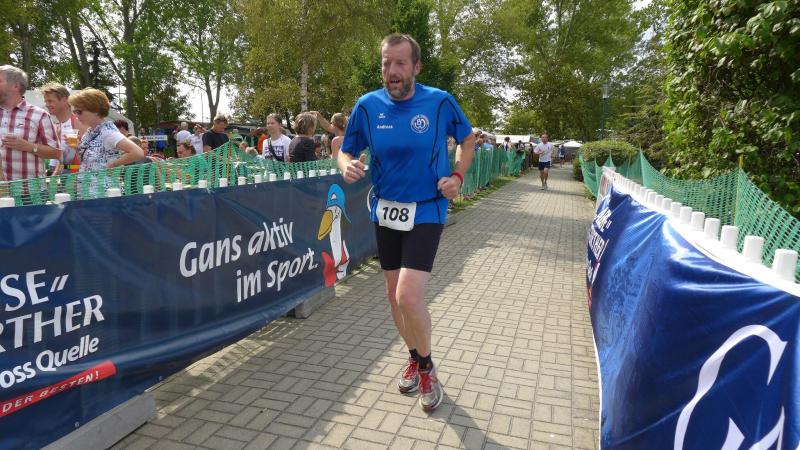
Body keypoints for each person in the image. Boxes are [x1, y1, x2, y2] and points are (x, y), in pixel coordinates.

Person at [338, 33, 475, 413]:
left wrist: (458, 177)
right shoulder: (367, 106)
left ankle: (427, 368)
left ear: (416, 67)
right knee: (392, 295)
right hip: (386, 210)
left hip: (427, 208)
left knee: (408, 297)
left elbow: (467, 140)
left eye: (400, 63)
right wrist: (345, 165)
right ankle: (415, 356)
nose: (392, 71)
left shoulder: (439, 102)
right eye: (386, 63)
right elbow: (345, 149)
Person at [0, 66, 61, 181]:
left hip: (29, 189)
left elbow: (56, 153)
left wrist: (29, 147)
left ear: (15, 86)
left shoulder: (39, 115)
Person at [68, 88, 144, 173]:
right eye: (74, 112)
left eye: (79, 112)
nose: (76, 115)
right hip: (86, 181)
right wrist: (76, 148)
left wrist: (113, 165)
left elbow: (138, 153)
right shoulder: (89, 133)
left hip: (103, 181)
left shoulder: (108, 133)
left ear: (95, 110)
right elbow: (84, 162)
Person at [41, 83, 88, 175]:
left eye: (50, 101)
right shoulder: (59, 127)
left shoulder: (77, 122)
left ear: (64, 100)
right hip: (66, 176)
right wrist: (55, 174)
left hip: (80, 177)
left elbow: (91, 156)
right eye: (46, 101)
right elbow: (64, 159)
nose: (47, 105)